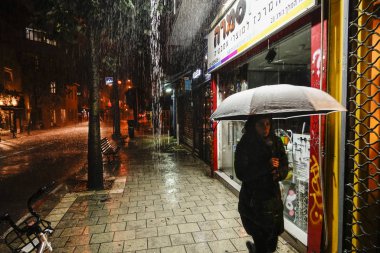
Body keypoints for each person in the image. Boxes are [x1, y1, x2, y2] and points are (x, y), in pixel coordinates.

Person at [234, 115, 289, 253]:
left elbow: (284, 164)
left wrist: (279, 173)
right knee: (261, 240)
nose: (266, 128)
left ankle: (255, 249)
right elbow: (241, 173)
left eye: (268, 124)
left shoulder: (276, 142)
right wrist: (266, 166)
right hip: (254, 202)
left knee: (272, 241)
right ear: (253, 126)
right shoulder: (245, 144)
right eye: (261, 124)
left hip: (273, 202)